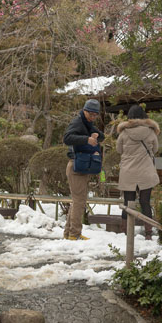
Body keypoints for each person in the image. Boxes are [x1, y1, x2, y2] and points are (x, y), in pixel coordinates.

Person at [62, 98, 105, 241]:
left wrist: (96, 135)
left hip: (82, 166)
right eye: (91, 114)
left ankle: (69, 233)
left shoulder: (88, 124)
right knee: (79, 201)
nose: (93, 117)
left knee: (77, 200)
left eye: (95, 115)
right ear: (84, 111)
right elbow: (67, 138)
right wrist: (86, 140)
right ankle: (74, 234)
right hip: (75, 165)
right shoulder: (77, 121)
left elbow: (102, 136)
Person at [116, 105, 160, 239]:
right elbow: (156, 149)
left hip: (128, 172)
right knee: (145, 202)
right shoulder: (151, 132)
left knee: (128, 202)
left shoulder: (123, 133)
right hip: (146, 172)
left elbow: (119, 150)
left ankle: (125, 231)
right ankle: (148, 233)